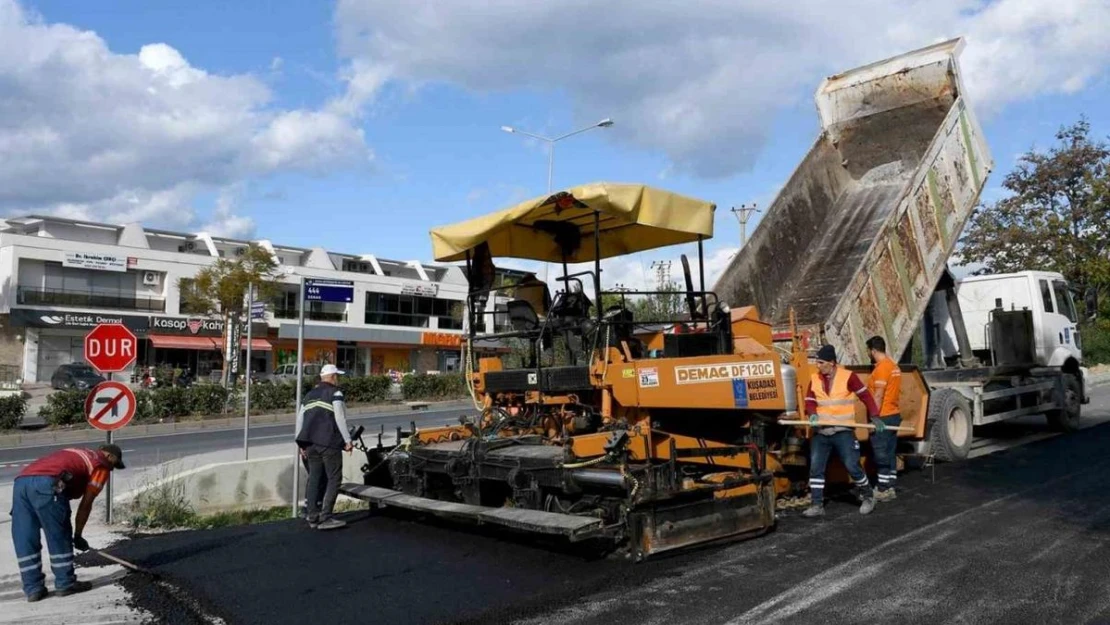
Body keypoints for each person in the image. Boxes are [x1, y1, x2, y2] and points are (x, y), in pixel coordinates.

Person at [10, 444, 126, 601]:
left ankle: (33, 589)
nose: (111, 469)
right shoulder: (101, 465)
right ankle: (65, 583)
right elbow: (86, 503)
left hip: (21, 483)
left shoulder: (78, 452)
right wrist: (78, 535)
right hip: (49, 483)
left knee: (25, 537)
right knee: (58, 534)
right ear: (110, 457)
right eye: (113, 465)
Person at [803, 344, 879, 518]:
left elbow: (865, 395)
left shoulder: (848, 376)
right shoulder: (814, 379)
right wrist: (812, 414)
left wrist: (875, 415)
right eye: (817, 362)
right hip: (821, 432)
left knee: (852, 465)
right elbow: (809, 400)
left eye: (821, 362)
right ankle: (816, 505)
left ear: (832, 362)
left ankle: (868, 496)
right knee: (815, 468)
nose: (818, 365)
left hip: (843, 431)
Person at [294, 364, 352, 530]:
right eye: (337, 376)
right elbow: (340, 418)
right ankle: (326, 517)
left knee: (314, 477)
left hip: (310, 444)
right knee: (334, 478)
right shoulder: (335, 393)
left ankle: (312, 516)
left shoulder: (309, 395)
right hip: (329, 443)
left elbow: (300, 420)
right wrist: (347, 440)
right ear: (333, 377)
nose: (337, 379)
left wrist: (300, 444)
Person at [866, 336, 903, 502]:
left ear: (873, 351)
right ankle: (891, 485)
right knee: (889, 452)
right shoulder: (894, 366)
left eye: (868, 351)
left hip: (883, 417)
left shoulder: (881, 369)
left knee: (880, 453)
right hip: (894, 415)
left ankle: (883, 489)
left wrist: (874, 417)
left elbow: (879, 395)